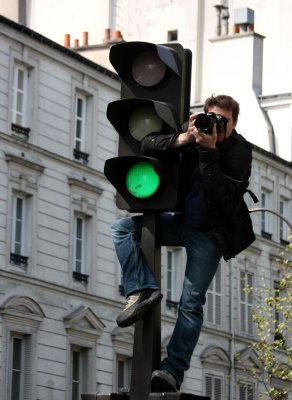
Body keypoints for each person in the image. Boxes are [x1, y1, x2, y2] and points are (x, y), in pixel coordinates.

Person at [110, 94, 256, 392]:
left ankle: (172, 371)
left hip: (212, 232)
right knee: (122, 229)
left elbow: (218, 197)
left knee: (191, 303)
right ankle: (142, 289)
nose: (215, 125)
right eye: (211, 117)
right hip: (183, 222)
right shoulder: (194, 132)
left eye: (223, 121)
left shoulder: (240, 152)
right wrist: (181, 138)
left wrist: (208, 151)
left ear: (235, 123)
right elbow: (147, 143)